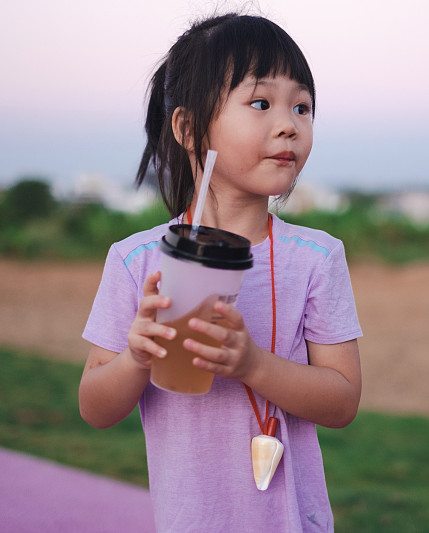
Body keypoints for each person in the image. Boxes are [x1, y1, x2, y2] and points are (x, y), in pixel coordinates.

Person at [79, 12, 362, 532]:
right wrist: (137, 357)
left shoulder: (317, 258)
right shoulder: (135, 260)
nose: (289, 124)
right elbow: (95, 407)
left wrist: (252, 364)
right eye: (261, 102)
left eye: (303, 106)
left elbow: (343, 400)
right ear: (188, 128)